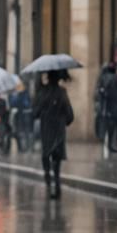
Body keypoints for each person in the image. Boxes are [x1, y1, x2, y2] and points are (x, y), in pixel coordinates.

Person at [33, 70, 74, 199]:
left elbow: (35, 112)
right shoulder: (62, 92)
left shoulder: (43, 92)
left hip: (47, 128)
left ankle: (48, 178)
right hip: (59, 129)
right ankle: (57, 184)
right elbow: (69, 114)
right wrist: (65, 121)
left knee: (46, 154)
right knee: (57, 158)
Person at [96, 62, 117, 155]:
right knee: (112, 126)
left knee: (105, 124)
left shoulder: (102, 78)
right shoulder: (116, 77)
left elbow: (98, 92)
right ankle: (110, 144)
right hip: (113, 106)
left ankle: (105, 142)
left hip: (105, 106)